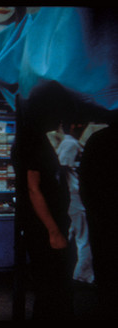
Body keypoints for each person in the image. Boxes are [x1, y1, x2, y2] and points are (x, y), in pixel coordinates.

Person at [11, 81, 75, 319]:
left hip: (46, 225)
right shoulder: (31, 141)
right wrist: (53, 231)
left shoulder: (34, 137)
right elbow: (33, 189)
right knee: (50, 289)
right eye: (56, 111)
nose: (59, 119)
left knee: (50, 289)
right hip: (44, 229)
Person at [79, 116, 118, 319]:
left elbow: (84, 180)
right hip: (105, 215)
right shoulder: (99, 140)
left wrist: (94, 212)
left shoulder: (97, 140)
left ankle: (106, 307)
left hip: (101, 217)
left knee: (105, 268)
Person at [56, 120, 94, 285]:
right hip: (74, 197)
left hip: (72, 197)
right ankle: (83, 275)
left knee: (72, 234)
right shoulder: (70, 144)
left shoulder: (71, 143)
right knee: (83, 237)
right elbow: (61, 169)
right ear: (74, 125)